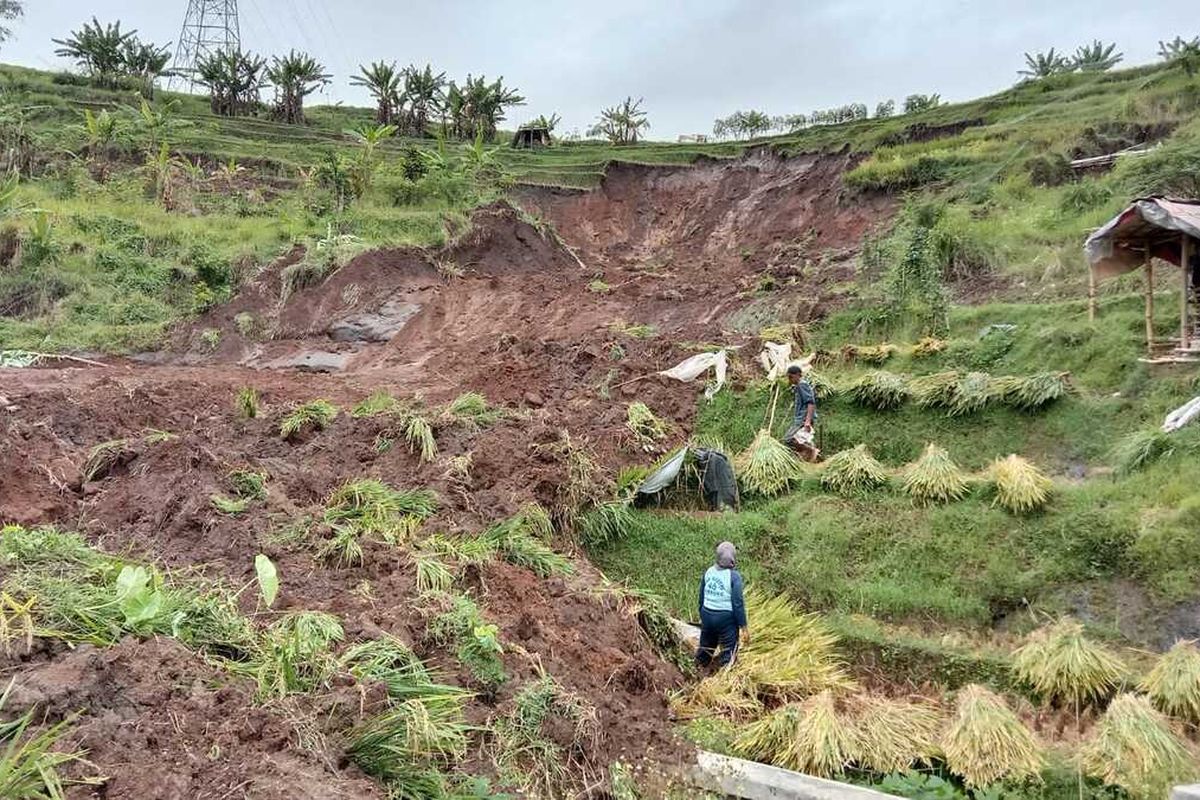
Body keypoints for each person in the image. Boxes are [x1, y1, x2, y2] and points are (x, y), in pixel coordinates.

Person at [696, 541, 748, 669]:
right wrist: (743, 626)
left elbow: (701, 597)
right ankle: (725, 673)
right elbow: (738, 604)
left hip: (707, 613)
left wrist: (703, 616)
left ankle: (698, 668)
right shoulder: (734, 577)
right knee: (729, 649)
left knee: (706, 646)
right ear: (733, 558)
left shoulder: (709, 571)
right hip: (725, 620)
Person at [782, 363, 820, 462]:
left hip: (803, 419)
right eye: (788, 377)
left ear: (798, 375)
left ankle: (811, 451)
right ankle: (810, 458)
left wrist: (807, 421)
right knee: (803, 439)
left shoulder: (802, 385)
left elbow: (811, 403)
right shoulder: (798, 386)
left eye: (791, 377)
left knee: (788, 439)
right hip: (801, 418)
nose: (790, 380)